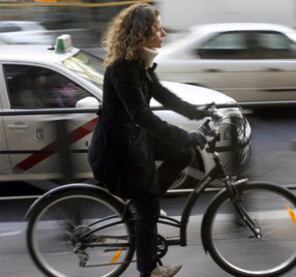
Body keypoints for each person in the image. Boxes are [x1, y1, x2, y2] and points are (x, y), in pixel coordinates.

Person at [95, 3, 213, 277]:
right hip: (118, 150)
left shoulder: (140, 63)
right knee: (149, 205)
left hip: (133, 139)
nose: (163, 34)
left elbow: (163, 94)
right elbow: (143, 116)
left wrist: (197, 111)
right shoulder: (122, 69)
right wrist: (188, 135)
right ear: (143, 33)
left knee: (181, 153)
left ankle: (146, 204)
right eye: (158, 29)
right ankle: (149, 269)